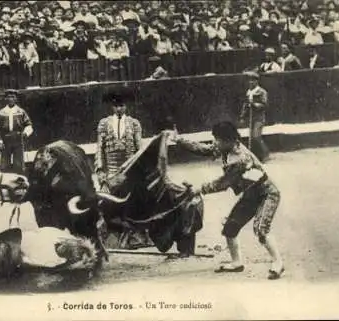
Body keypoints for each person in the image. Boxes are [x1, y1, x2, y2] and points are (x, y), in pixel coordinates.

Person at [171, 121, 284, 280]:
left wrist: (200, 189)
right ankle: (236, 262)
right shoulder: (227, 147)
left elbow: (223, 183)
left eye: (217, 139)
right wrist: (180, 140)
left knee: (261, 230)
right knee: (230, 227)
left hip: (266, 193)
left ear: (228, 140)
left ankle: (278, 263)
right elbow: (205, 150)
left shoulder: (239, 159)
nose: (214, 143)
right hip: (250, 193)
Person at [94, 89, 151, 249]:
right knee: (107, 205)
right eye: (116, 106)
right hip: (111, 171)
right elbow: (100, 148)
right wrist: (100, 170)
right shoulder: (103, 124)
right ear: (112, 107)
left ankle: (136, 235)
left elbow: (139, 149)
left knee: (134, 202)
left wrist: (140, 169)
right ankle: (113, 235)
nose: (119, 109)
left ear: (126, 107)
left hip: (130, 170)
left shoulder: (134, 123)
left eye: (122, 106)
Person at [0, 89, 34, 175]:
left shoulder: (21, 112)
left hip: (18, 140)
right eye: (8, 97)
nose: (11, 99)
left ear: (16, 99)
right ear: (5, 99)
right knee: (4, 165)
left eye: (13, 97)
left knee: (19, 165)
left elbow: (28, 124)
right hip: (6, 140)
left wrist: (26, 133)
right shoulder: (1, 112)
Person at [239, 71, 270, 162]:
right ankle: (255, 156)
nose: (251, 82)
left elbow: (264, 104)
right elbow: (245, 105)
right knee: (251, 137)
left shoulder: (262, 91)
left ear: (257, 81)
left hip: (259, 117)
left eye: (253, 80)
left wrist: (254, 104)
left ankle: (265, 154)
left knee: (256, 136)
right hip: (251, 118)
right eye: (250, 80)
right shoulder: (248, 92)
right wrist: (242, 116)